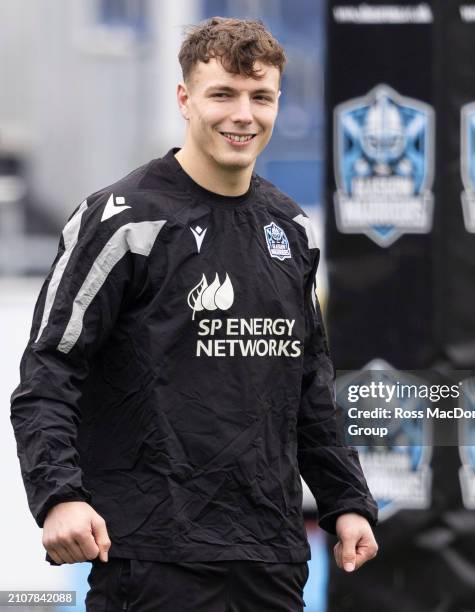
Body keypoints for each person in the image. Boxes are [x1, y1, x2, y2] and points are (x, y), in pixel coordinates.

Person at [10, 17, 378, 611]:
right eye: (223, 94)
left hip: (271, 558)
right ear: (185, 99)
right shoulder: (121, 220)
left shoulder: (290, 229)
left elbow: (309, 386)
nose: (243, 115)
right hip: (150, 555)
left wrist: (347, 502)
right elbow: (48, 374)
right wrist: (58, 497)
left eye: (261, 97)